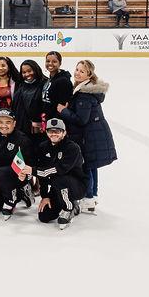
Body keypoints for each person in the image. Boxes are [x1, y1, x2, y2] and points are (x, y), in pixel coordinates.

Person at [57, 60, 116, 213]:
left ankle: (88, 197)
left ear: (89, 75)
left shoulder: (84, 94)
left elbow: (81, 120)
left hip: (88, 136)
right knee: (91, 164)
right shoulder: (85, 89)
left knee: (86, 166)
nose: (77, 73)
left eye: (82, 71)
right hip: (93, 134)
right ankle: (93, 195)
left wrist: (64, 111)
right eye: (77, 69)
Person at [34, 119, 88, 229]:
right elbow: (42, 173)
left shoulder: (72, 148)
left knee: (59, 178)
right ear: (46, 132)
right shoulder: (43, 147)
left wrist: (33, 171)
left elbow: (59, 170)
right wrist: (45, 196)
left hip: (76, 187)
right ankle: (67, 202)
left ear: (64, 132)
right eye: (50, 131)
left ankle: (70, 207)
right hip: (58, 187)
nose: (54, 134)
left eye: (57, 131)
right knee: (44, 216)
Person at [12, 60, 45, 138]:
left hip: (36, 130)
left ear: (35, 69)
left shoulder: (43, 84)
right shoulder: (21, 85)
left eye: (29, 71)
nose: (27, 74)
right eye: (24, 72)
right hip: (20, 128)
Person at [41, 51, 73, 121]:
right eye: (48, 61)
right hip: (48, 119)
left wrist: (54, 121)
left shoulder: (63, 81)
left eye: (54, 61)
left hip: (56, 122)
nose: (50, 64)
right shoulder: (50, 79)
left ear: (60, 63)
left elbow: (62, 106)